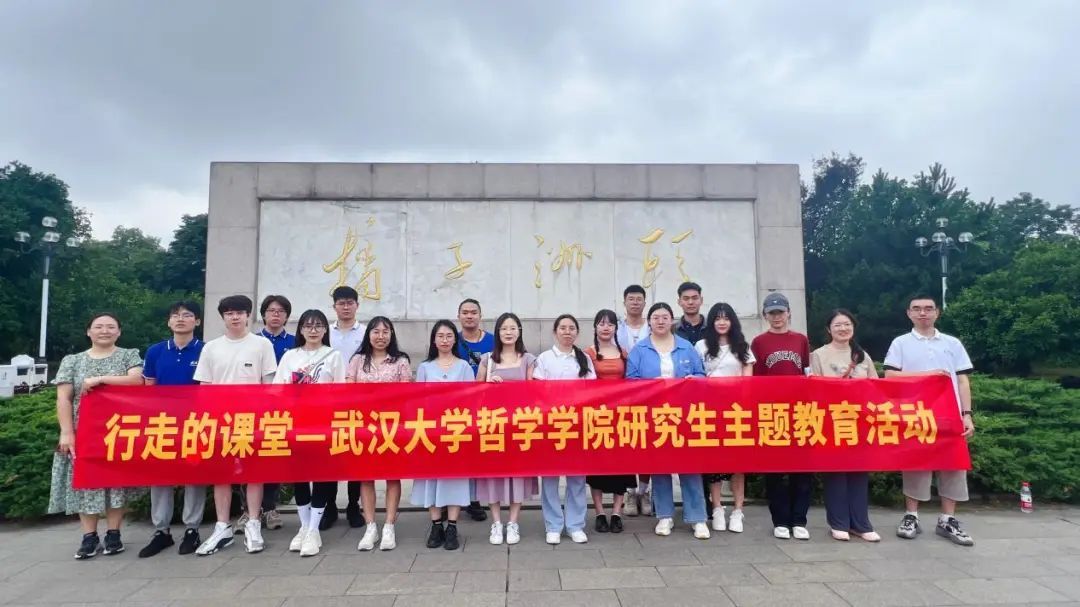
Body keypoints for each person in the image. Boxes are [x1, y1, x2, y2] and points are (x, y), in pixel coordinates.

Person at [50, 313, 145, 560]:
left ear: (119, 332)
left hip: (119, 431)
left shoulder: (129, 355)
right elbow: (64, 398)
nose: (105, 331)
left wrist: (100, 379)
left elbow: (137, 381)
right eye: (99, 326)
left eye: (111, 327)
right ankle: (89, 536)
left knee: (117, 482)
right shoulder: (73, 361)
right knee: (86, 482)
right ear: (88, 331)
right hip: (83, 431)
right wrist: (67, 432)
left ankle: (114, 534)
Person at [885, 295, 976, 546]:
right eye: (916, 309)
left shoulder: (952, 343)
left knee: (953, 464)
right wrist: (929, 375)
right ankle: (911, 515)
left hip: (950, 413)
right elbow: (890, 375)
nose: (922, 313)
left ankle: (948, 519)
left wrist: (967, 414)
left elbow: (962, 380)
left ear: (937, 312)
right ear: (909, 313)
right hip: (915, 413)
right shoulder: (901, 343)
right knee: (915, 464)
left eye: (928, 308)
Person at [194, 295, 278, 556]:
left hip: (252, 420)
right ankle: (222, 527)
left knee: (254, 473)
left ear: (248, 315)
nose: (235, 317)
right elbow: (204, 387)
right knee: (222, 474)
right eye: (229, 313)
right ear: (223, 317)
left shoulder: (262, 345)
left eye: (240, 312)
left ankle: (253, 522)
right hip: (220, 420)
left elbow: (269, 386)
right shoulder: (211, 348)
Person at [625, 303, 710, 539]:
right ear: (649, 322)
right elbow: (630, 382)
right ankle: (664, 515)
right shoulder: (640, 350)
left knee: (690, 467)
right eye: (656, 317)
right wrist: (650, 386)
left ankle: (697, 518)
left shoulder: (686, 347)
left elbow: (701, 375)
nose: (660, 321)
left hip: (684, 416)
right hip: (654, 417)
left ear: (672, 320)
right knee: (660, 468)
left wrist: (693, 380)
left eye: (665, 317)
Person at [274, 309, 346, 557]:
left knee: (321, 474)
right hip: (296, 423)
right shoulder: (290, 356)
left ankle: (314, 529)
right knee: (300, 475)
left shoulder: (334, 356)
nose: (313, 330)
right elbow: (278, 390)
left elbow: (341, 392)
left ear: (326, 329)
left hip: (322, 423)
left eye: (318, 326)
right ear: (301, 329)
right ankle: (304, 526)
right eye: (308, 326)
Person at [138, 301, 206, 558]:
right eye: (175, 315)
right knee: (161, 474)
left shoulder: (206, 350)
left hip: (196, 422)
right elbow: (149, 388)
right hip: (163, 422)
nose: (180, 319)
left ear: (197, 321)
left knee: (194, 474)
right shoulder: (156, 351)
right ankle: (161, 531)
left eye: (187, 315)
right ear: (169, 321)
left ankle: (192, 529)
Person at [810, 309, 882, 543]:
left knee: (859, 472)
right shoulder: (818, 355)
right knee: (836, 472)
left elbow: (876, 386)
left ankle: (861, 524)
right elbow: (814, 389)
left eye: (847, 324)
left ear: (853, 327)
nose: (843, 328)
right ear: (828, 329)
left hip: (860, 421)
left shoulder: (861, 355)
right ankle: (838, 522)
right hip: (832, 420)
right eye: (838, 325)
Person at [346, 316, 412, 551]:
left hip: (391, 428)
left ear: (391, 335)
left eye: (386, 332)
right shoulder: (357, 360)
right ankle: (370, 526)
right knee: (366, 476)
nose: (381, 336)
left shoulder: (400, 361)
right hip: (364, 427)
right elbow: (348, 392)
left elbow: (406, 395)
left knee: (392, 476)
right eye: (376, 331)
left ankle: (389, 526)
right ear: (369, 335)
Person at [750, 292, 812, 541]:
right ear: (765, 316)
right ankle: (780, 520)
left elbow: (807, 372)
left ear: (788, 313)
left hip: (799, 412)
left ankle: (799, 519)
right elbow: (755, 379)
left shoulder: (801, 340)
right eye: (772, 313)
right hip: (771, 412)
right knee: (775, 470)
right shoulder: (759, 342)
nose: (777, 317)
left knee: (802, 468)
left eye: (780, 312)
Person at [475, 312, 539, 545]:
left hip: (519, 427)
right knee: (493, 474)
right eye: (504, 328)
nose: (508, 332)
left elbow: (534, 393)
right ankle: (496, 522)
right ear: (497, 333)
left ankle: (513, 522)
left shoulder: (529, 359)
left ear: (519, 331)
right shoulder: (487, 360)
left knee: (517, 475)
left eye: (513, 328)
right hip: (493, 427)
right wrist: (488, 385)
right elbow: (474, 393)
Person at [411, 320, 474, 550]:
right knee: (431, 478)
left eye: (449, 336)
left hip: (456, 430)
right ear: (434, 340)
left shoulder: (464, 366)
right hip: (430, 431)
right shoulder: (425, 367)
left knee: (455, 478)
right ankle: (436, 524)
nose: (445, 340)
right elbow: (417, 400)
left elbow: (471, 400)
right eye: (440, 336)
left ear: (455, 339)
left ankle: (452, 526)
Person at [534, 314, 597, 545]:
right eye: (563, 328)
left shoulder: (584, 359)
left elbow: (592, 391)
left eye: (571, 328)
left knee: (577, 478)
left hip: (577, 425)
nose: (567, 332)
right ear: (555, 332)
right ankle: (553, 525)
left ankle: (575, 525)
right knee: (550, 478)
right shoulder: (544, 359)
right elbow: (538, 391)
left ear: (577, 333)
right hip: (551, 426)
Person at [694, 302, 754, 534]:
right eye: (717, 318)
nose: (721, 322)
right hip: (709, 411)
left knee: (738, 463)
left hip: (736, 411)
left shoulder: (742, 346)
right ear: (711, 322)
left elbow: (748, 382)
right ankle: (717, 507)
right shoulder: (701, 346)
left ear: (732, 321)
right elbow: (697, 376)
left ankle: (738, 510)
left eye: (726, 318)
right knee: (714, 462)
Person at [584, 309, 636, 534]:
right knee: (597, 467)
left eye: (610, 324)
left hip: (620, 417)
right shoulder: (587, 354)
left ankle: (616, 512)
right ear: (595, 327)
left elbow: (631, 381)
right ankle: (599, 513)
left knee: (621, 466)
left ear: (616, 328)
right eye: (601, 323)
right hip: (596, 417)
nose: (606, 328)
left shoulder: (624, 353)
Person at [251, 294, 295, 532]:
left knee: (274, 457)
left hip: (284, 411)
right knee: (250, 458)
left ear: (287, 316)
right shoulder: (253, 341)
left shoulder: (295, 342)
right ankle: (249, 510)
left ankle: (269, 507)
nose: (276, 315)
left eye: (281, 311)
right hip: (255, 409)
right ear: (263, 314)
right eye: (271, 311)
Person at [325, 286, 368, 530]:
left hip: (357, 402)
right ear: (334, 307)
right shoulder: (325, 331)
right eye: (341, 303)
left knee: (355, 453)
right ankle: (329, 506)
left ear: (357, 305)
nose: (346, 307)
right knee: (330, 454)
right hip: (328, 402)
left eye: (350, 302)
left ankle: (354, 505)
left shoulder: (365, 332)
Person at [454, 298, 493, 522]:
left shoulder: (493, 341)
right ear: (459, 316)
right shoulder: (452, 340)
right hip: (460, 407)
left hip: (488, 406)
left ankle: (475, 499)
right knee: (461, 452)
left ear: (480, 315)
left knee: (481, 452)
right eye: (465, 312)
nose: (469, 316)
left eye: (473, 312)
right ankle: (458, 498)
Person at [615, 284, 651, 515]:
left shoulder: (653, 325)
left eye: (639, 299)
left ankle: (644, 491)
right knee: (627, 443)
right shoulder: (617, 328)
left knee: (647, 444)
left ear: (644, 303)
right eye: (631, 299)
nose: (635, 302)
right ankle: (630, 492)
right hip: (623, 394)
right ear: (624, 302)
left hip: (649, 393)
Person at [674, 281, 707, 345]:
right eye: (686, 299)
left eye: (695, 298)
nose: (690, 302)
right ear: (679, 302)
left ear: (701, 300)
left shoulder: (712, 327)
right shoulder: (672, 330)